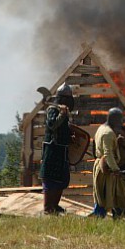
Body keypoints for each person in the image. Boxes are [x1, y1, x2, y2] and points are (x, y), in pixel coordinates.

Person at [91, 107, 125, 218]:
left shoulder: (102, 128)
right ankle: (99, 217)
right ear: (115, 120)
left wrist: (117, 143)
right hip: (106, 169)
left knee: (110, 194)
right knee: (105, 194)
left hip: (105, 166)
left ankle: (114, 216)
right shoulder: (108, 133)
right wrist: (115, 169)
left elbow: (107, 147)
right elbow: (108, 154)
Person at [40, 84, 74, 215]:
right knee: (50, 178)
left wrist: (70, 135)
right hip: (53, 149)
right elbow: (52, 125)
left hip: (62, 149)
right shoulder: (52, 110)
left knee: (62, 178)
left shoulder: (61, 110)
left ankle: (55, 205)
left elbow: (62, 129)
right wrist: (62, 114)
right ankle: (48, 207)